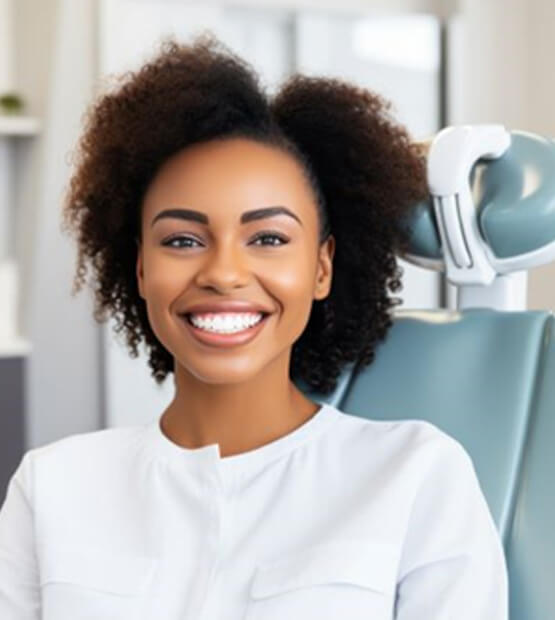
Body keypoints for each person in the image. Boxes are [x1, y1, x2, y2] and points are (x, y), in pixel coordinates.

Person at [0, 32, 508, 619]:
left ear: (321, 268)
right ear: (141, 268)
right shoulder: (53, 488)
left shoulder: (416, 476)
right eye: (182, 240)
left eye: (268, 238)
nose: (223, 273)